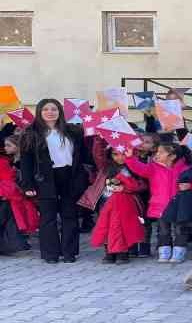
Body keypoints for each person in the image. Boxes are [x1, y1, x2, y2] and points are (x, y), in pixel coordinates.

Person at [19, 99, 90, 263]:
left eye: (54, 109)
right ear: (39, 112)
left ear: (60, 112)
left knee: (69, 215)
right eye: (45, 109)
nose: (50, 112)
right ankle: (51, 254)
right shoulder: (31, 133)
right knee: (48, 217)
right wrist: (28, 184)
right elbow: (26, 162)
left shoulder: (73, 131)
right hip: (45, 178)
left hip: (69, 176)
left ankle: (69, 253)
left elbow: (83, 156)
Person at [124, 142, 190, 263]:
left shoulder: (185, 169)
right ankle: (164, 251)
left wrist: (191, 185)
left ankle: (179, 251)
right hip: (161, 205)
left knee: (180, 229)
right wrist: (130, 158)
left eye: (161, 152)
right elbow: (139, 168)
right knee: (163, 229)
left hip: (180, 205)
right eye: (157, 152)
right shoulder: (153, 167)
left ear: (172, 156)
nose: (157, 154)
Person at [90, 158, 146, 265]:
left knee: (123, 227)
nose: (119, 157)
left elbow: (140, 185)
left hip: (126, 203)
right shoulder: (106, 167)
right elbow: (98, 155)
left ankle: (122, 252)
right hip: (107, 203)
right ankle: (110, 252)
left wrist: (124, 188)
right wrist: (99, 141)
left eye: (122, 154)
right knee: (107, 227)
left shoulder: (133, 167)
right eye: (115, 154)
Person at [0, 134, 38, 253]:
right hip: (16, 195)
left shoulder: (18, 162)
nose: (5, 148)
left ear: (17, 146)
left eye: (8, 145)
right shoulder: (12, 161)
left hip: (19, 195)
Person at [159, 168, 192, 263]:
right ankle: (166, 251)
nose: (182, 185)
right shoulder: (179, 194)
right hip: (176, 214)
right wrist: (166, 214)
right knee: (165, 229)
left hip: (185, 218)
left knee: (180, 230)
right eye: (180, 183)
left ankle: (178, 252)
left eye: (184, 183)